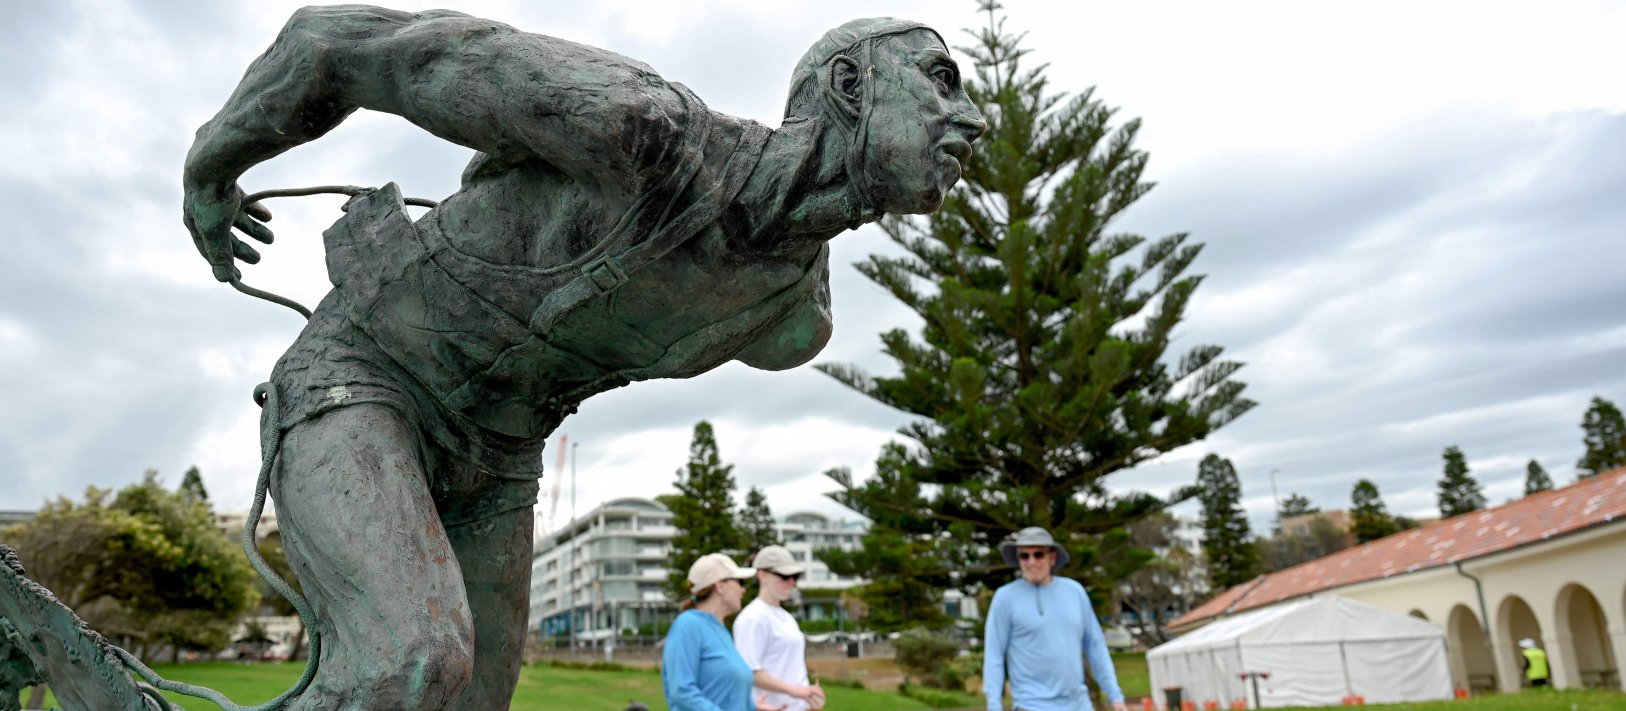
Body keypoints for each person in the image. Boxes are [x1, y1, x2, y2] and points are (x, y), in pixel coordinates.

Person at [180, 6, 984, 710]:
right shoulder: (641, 129)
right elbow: (340, 43)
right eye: (941, 80)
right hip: (368, 374)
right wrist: (213, 164)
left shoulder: (793, 320)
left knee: (474, 699)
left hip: (499, 460)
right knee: (414, 661)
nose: (974, 118)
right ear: (849, 86)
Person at [983, 527, 1128, 711]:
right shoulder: (1004, 598)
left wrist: (1115, 695)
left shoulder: (1075, 592)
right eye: (1024, 556)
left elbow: (1095, 645)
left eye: (1038, 554)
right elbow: (994, 655)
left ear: (1052, 558)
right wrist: (993, 706)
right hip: (1030, 706)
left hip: (1079, 705)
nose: (1031, 562)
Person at [664, 553, 769, 711]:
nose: (743, 589)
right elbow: (681, 691)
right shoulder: (688, 625)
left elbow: (723, 692)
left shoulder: (721, 630)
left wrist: (753, 707)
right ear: (720, 586)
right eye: (740, 582)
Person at [735, 545, 825, 710]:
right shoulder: (753, 618)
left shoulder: (786, 617)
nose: (791, 582)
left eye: (795, 576)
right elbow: (749, 672)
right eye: (784, 576)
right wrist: (796, 691)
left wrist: (809, 696)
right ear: (762, 575)